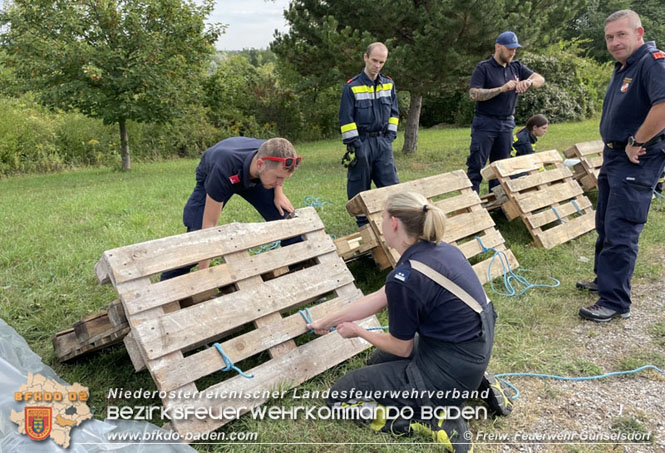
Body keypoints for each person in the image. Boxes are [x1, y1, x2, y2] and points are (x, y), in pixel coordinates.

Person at [308, 192, 508, 450]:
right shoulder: (440, 251)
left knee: (341, 396)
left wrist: (359, 331)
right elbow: (380, 296)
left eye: (381, 218)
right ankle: (475, 386)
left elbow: (401, 346)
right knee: (377, 362)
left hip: (448, 366)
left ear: (393, 223)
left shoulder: (407, 277)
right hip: (469, 353)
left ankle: (434, 418)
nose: (380, 225)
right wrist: (328, 320)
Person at [577, 10, 665, 322]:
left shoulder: (652, 62)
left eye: (621, 35)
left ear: (639, 33)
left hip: (637, 158)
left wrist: (638, 141)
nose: (615, 42)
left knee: (621, 228)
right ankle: (605, 280)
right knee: (605, 222)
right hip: (615, 157)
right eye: (610, 37)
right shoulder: (624, 66)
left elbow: (663, 106)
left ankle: (614, 301)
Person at [160, 137, 302, 281]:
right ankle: (168, 283)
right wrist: (205, 277)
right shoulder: (222, 168)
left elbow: (279, 173)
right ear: (260, 164)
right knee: (197, 235)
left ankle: (302, 274)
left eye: (284, 179)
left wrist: (279, 193)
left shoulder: (273, 154)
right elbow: (209, 227)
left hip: (255, 177)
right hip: (220, 172)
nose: (280, 182)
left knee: (286, 219)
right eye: (278, 178)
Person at [467, 31, 545, 193]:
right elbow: (474, 94)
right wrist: (502, 89)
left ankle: (497, 204)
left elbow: (540, 79)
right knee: (477, 164)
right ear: (498, 47)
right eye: (509, 49)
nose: (513, 52)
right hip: (485, 123)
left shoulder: (516, 67)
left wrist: (528, 82)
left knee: (502, 166)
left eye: (515, 49)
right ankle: (470, 202)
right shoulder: (484, 68)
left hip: (507, 123)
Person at [340, 42, 400, 226]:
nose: (377, 65)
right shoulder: (351, 87)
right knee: (360, 191)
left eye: (382, 62)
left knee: (392, 189)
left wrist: (389, 139)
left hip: (383, 143)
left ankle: (395, 226)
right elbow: (346, 120)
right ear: (365, 57)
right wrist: (357, 145)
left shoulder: (389, 84)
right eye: (374, 60)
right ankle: (364, 230)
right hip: (362, 144)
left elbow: (394, 114)